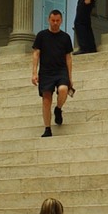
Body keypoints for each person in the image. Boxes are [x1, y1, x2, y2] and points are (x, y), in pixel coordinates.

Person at [31, 8, 76, 138]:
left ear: (61, 21)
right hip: (45, 72)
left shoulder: (65, 37)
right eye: (53, 20)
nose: (55, 23)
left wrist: (70, 77)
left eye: (57, 20)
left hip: (61, 70)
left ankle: (58, 108)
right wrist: (34, 72)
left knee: (63, 89)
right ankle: (47, 128)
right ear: (48, 20)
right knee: (46, 100)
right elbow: (36, 54)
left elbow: (68, 57)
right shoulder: (41, 35)